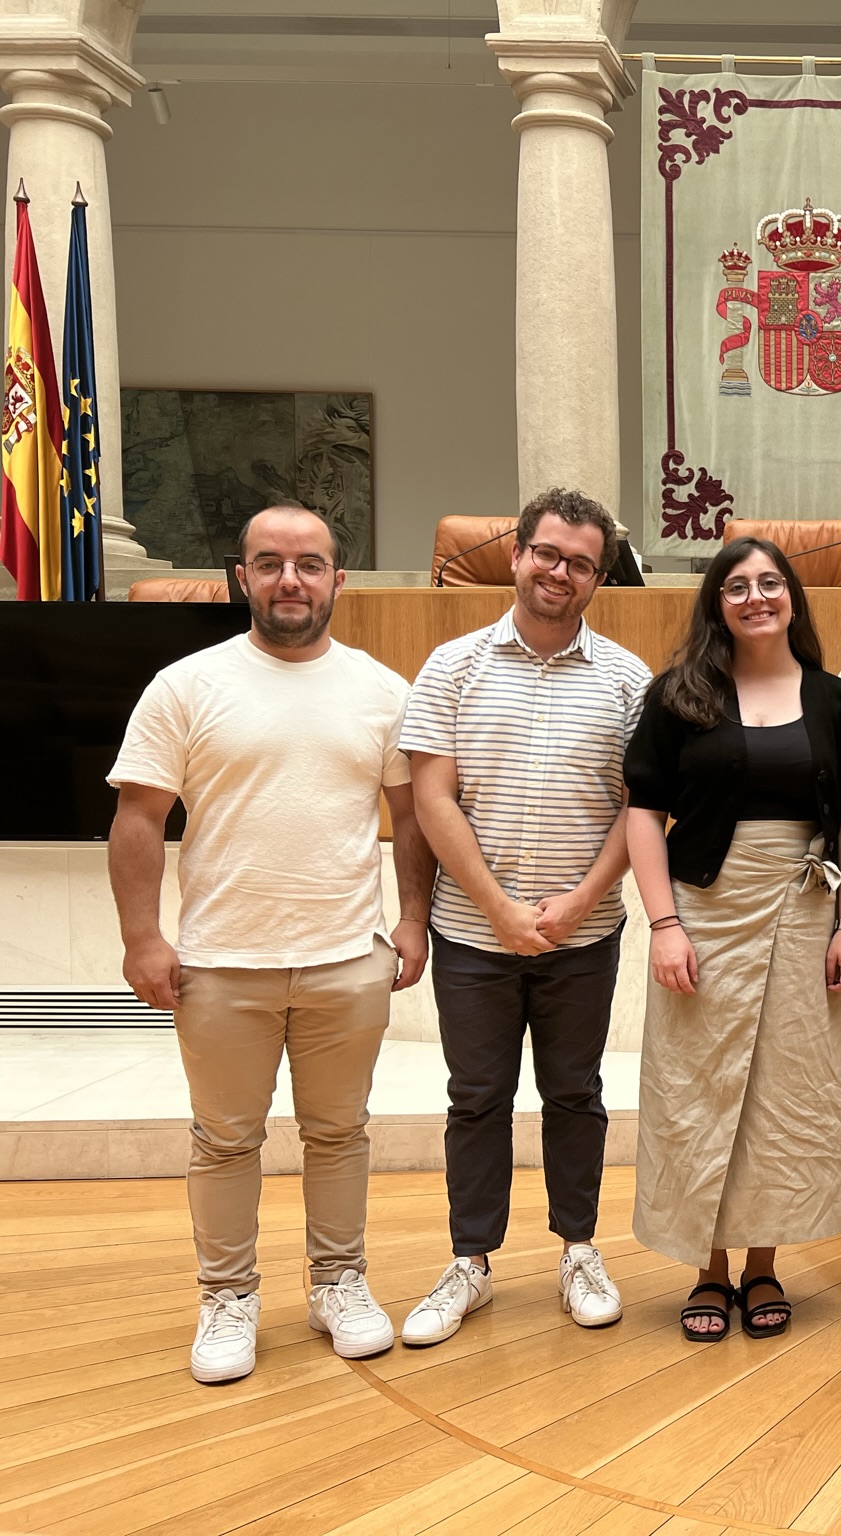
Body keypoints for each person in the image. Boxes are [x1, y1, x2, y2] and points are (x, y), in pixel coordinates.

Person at [109, 504, 433, 1384]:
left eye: (309, 563)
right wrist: (142, 938)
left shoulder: (382, 690)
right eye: (271, 562)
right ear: (241, 576)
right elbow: (138, 818)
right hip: (219, 964)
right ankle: (226, 1297)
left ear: (338, 580)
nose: (291, 579)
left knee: (340, 1133)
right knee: (224, 1140)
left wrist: (411, 919)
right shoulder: (185, 685)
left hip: (346, 958)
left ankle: (339, 1282)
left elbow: (412, 819)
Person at [396, 488, 651, 1347]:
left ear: (599, 578)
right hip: (473, 934)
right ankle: (470, 1261)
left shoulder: (627, 679)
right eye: (547, 553)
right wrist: (499, 909)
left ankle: (579, 1250)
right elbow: (432, 799)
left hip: (584, 933)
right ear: (516, 556)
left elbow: (639, 807)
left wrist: (578, 902)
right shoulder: (452, 666)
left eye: (581, 563)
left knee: (575, 1094)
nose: (560, 572)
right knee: (477, 1098)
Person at [623, 538, 841, 1343]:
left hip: (804, 911)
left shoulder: (837, 701)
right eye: (737, 586)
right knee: (696, 1089)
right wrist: (664, 924)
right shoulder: (679, 694)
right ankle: (708, 1269)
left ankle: (763, 1264)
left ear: (793, 597)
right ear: (716, 604)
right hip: (704, 912)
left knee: (784, 1091)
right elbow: (642, 813)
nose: (756, 597)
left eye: (770, 583)